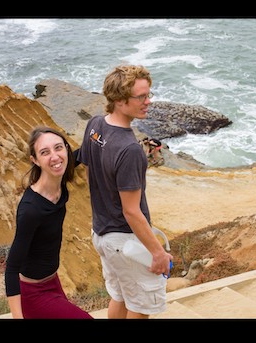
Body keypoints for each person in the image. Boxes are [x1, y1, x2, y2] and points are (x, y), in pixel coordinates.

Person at [77, 64, 170, 319]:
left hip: (102, 233)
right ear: (119, 100)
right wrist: (157, 252)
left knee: (120, 295)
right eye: (141, 97)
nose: (148, 101)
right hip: (125, 240)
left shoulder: (95, 125)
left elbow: (90, 170)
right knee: (141, 306)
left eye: (148, 94)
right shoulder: (129, 149)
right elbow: (131, 211)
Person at [4, 126, 94, 319]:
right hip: (33, 292)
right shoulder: (31, 209)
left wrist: (102, 127)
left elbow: (82, 151)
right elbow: (11, 267)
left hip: (53, 282)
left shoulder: (58, 177)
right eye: (45, 152)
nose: (55, 157)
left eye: (58, 148)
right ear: (35, 160)